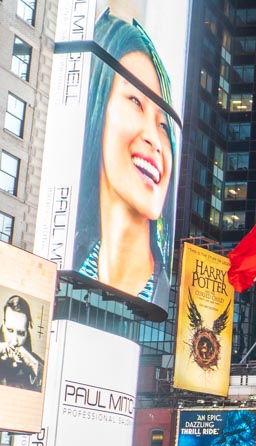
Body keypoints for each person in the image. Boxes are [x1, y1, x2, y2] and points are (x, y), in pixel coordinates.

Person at [73, 10, 177, 307]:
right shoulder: (66, 265)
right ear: (96, 105)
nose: (155, 140)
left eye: (164, 125)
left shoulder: (167, 306)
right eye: (135, 101)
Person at [0, 296, 44, 391]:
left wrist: (36, 369)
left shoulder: (36, 364)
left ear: (27, 332)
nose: (15, 341)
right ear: (3, 325)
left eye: (21, 333)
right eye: (10, 330)